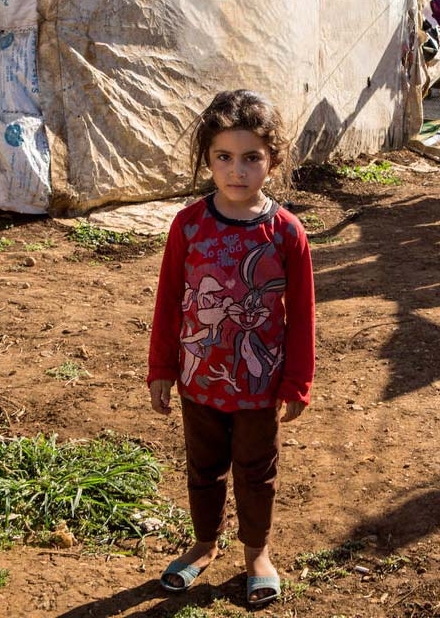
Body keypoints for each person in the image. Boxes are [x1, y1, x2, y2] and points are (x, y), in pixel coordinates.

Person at [147, 89, 316, 606]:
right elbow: (170, 299)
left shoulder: (285, 232)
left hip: (259, 385)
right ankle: (203, 545)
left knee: (255, 469)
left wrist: (296, 382)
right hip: (199, 377)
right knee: (203, 466)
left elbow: (302, 315)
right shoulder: (189, 225)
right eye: (223, 157)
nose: (236, 171)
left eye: (251, 158)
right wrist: (161, 367)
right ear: (208, 160)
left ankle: (256, 553)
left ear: (273, 161)